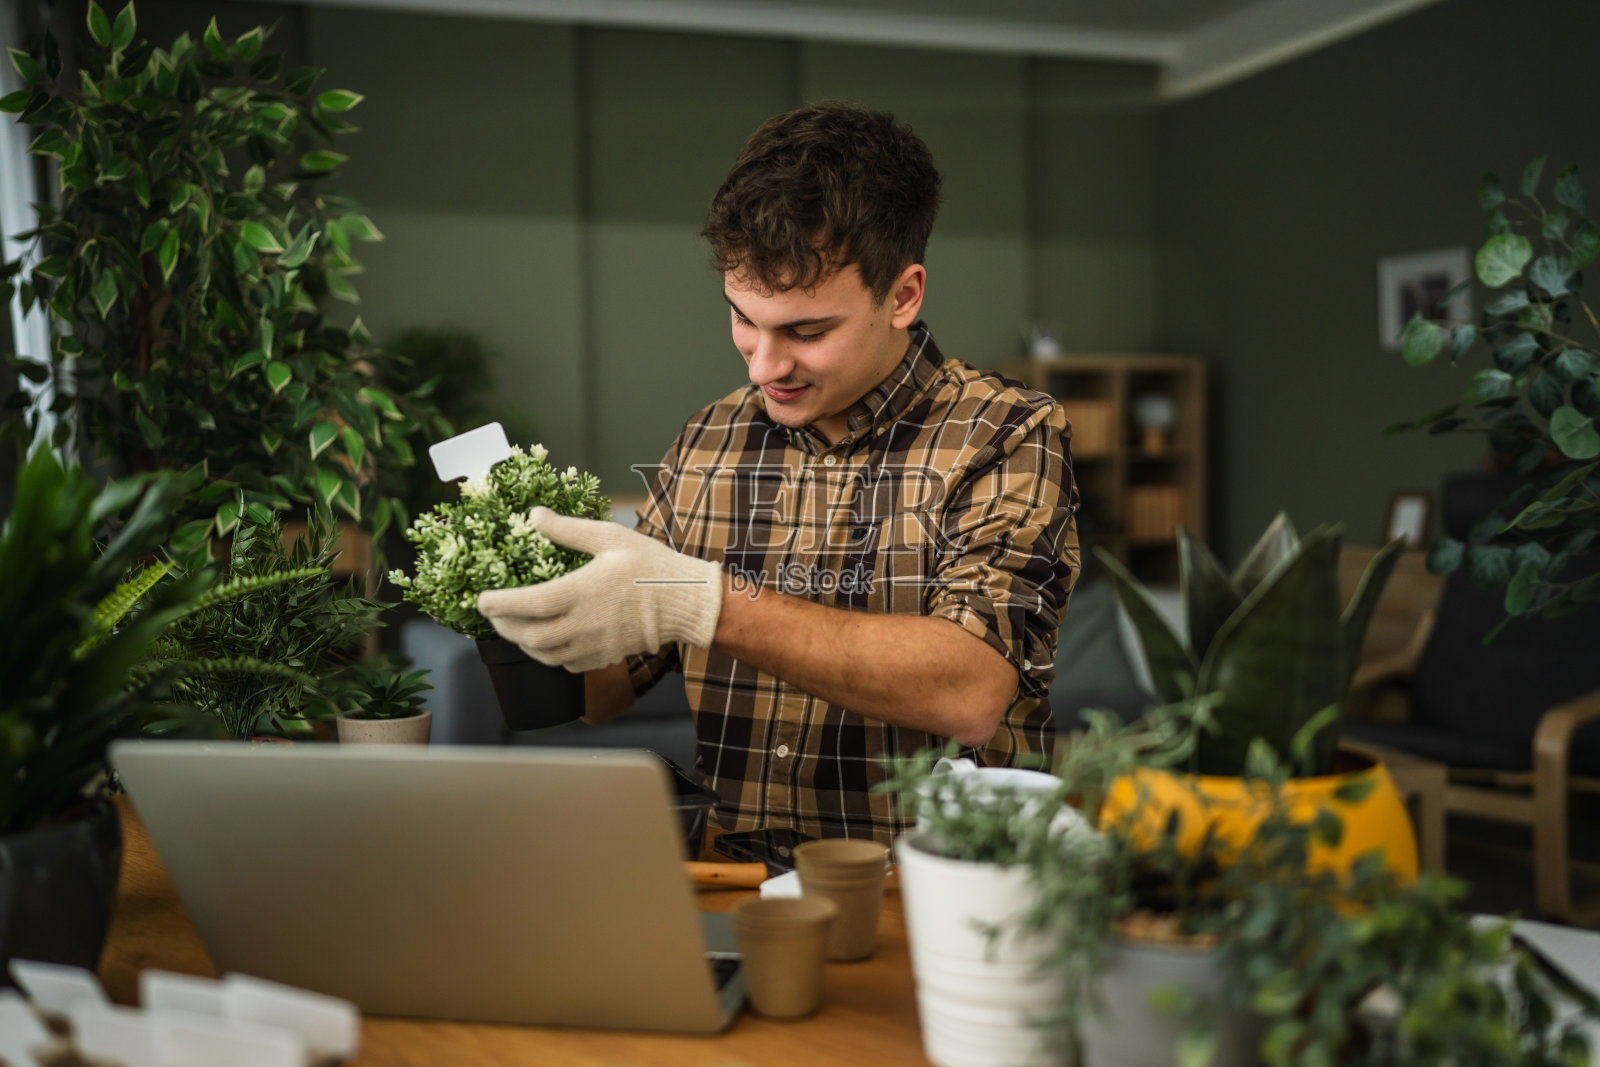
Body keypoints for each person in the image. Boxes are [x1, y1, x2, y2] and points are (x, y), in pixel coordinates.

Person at [478, 103, 1079, 843]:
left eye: (806, 331)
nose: (765, 366)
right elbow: (602, 693)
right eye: (743, 319)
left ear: (902, 295)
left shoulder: (1009, 431)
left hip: (928, 895)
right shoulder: (709, 437)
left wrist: (700, 601)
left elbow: (971, 687)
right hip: (729, 885)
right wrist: (512, 591)